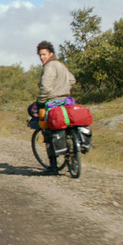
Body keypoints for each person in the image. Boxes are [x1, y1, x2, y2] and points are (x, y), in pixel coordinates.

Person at [35, 40, 75, 173]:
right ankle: (72, 155)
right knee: (67, 126)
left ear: (51, 54)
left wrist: (40, 102)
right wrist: (63, 89)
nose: (42, 57)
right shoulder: (61, 65)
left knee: (48, 130)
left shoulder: (50, 66)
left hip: (52, 102)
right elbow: (72, 79)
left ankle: (53, 166)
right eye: (40, 55)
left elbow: (45, 87)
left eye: (44, 54)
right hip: (66, 101)